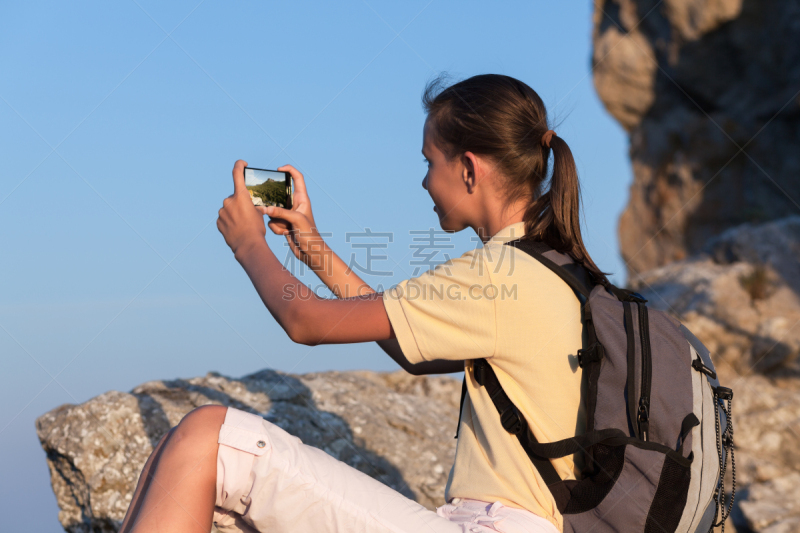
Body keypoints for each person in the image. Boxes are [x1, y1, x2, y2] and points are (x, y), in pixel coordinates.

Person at [119, 73, 608, 533]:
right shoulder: (559, 274)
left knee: (209, 437)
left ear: (468, 168)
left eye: (428, 162)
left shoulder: (497, 277)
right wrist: (312, 248)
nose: (423, 182)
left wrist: (249, 244)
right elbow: (403, 345)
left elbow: (304, 322)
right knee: (180, 453)